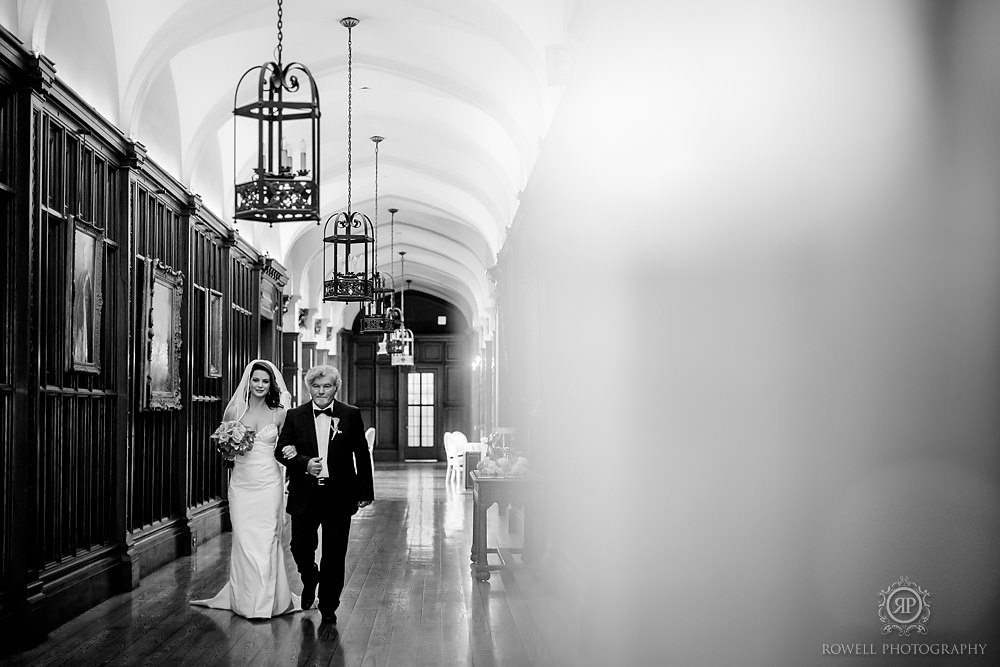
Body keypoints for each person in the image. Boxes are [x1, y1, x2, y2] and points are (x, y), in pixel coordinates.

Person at [191, 359, 301, 618]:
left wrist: (293, 451)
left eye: (265, 381)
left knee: (266, 539)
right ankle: (244, 599)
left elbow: (286, 447)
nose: (260, 385)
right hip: (242, 483)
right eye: (256, 380)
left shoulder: (280, 413)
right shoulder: (234, 413)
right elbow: (225, 453)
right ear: (248, 382)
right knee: (243, 538)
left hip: (269, 482)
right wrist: (229, 450)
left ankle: (266, 603)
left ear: (270, 384)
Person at [275, 364, 374, 625]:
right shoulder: (295, 416)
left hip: (339, 494)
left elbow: (361, 454)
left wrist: (365, 491)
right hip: (304, 493)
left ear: (335, 388)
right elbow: (281, 448)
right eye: (316, 386)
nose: (321, 391)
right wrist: (304, 463)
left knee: (335, 552)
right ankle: (309, 579)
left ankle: (329, 605)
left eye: (327, 386)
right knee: (300, 547)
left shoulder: (350, 414)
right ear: (309, 388)